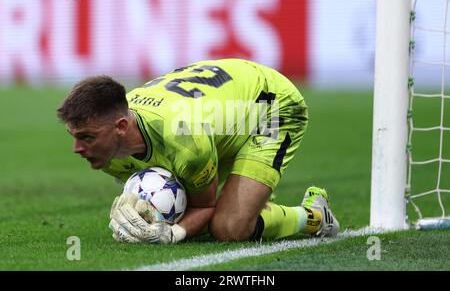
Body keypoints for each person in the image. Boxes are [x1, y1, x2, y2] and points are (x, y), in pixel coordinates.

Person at [57, 58, 340, 244]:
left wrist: (171, 233)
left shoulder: (185, 143)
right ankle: (249, 197)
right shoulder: (107, 144)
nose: (77, 149)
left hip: (269, 106)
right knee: (197, 212)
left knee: (228, 228)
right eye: (74, 136)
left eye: (86, 137)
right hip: (217, 120)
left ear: (120, 127)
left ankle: (314, 216)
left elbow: (203, 206)